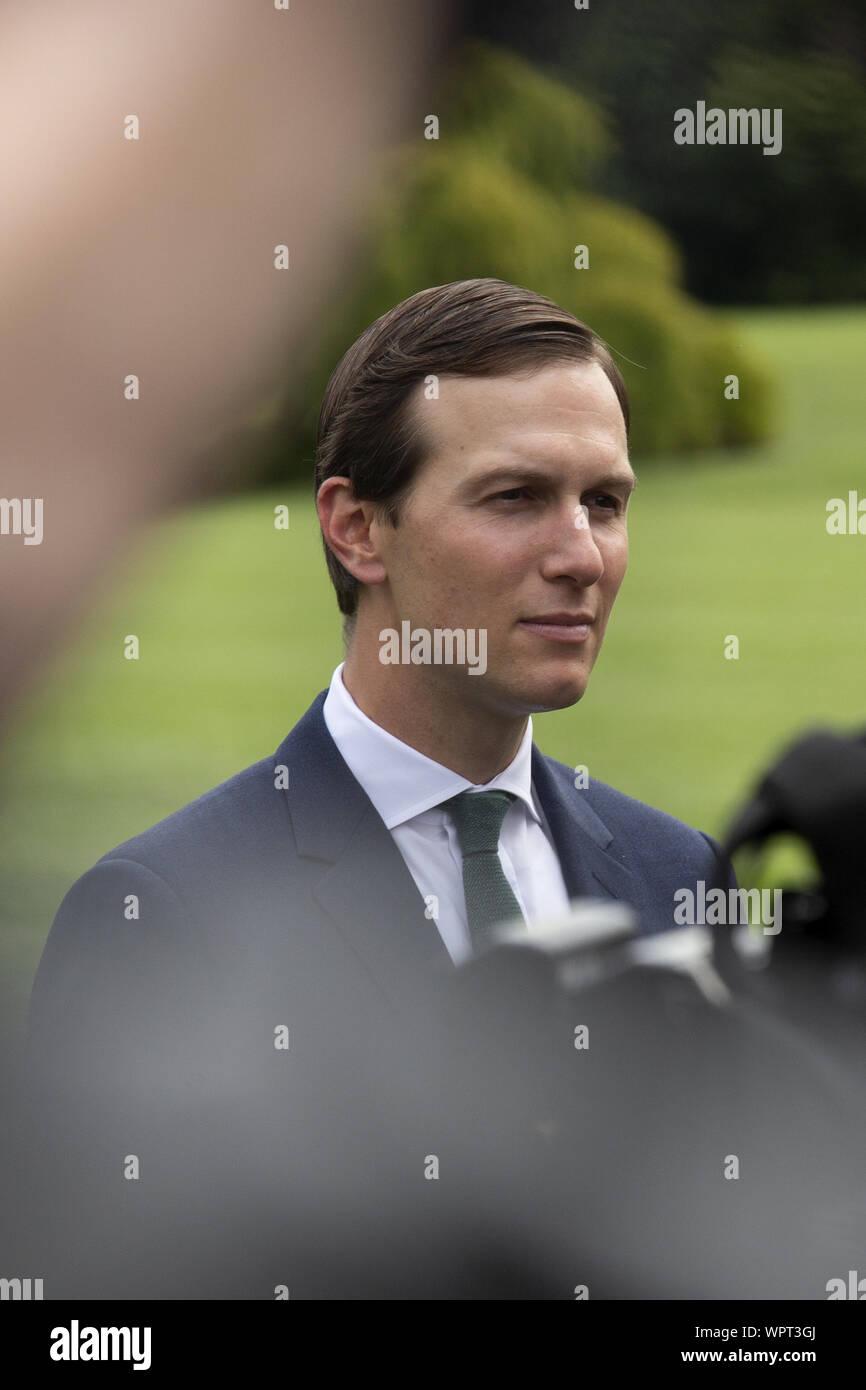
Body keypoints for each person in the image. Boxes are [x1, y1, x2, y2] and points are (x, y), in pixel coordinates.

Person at [27, 278, 738, 1296]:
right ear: (357, 529)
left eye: (604, 503)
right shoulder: (163, 914)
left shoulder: (678, 873)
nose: (582, 555)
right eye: (515, 497)